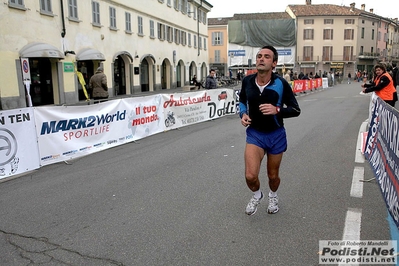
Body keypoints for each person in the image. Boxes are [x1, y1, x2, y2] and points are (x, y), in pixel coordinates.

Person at [239, 45, 301, 215]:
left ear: (274, 63)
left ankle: (273, 195)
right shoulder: (247, 81)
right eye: (259, 56)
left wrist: (277, 110)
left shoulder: (280, 83)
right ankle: (257, 195)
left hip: (276, 135)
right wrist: (243, 113)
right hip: (255, 134)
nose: (261, 58)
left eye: (266, 56)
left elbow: (296, 110)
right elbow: (242, 99)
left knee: (273, 176)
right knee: (250, 176)